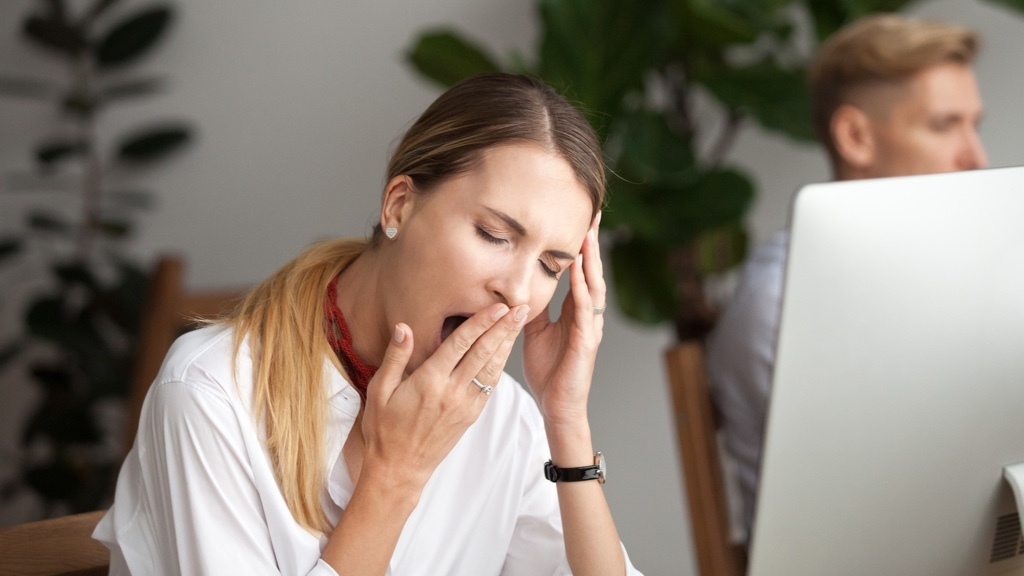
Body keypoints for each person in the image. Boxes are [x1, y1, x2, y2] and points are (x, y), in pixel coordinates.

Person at [93, 72, 643, 575]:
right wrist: (394, 476)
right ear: (399, 205)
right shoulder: (209, 395)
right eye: (495, 235)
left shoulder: (506, 420)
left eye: (551, 265)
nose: (519, 291)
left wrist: (566, 420)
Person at [705, 13, 987, 544]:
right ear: (856, 136)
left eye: (975, 125)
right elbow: (881, 509)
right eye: (945, 125)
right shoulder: (784, 304)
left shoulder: (964, 281)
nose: (975, 157)